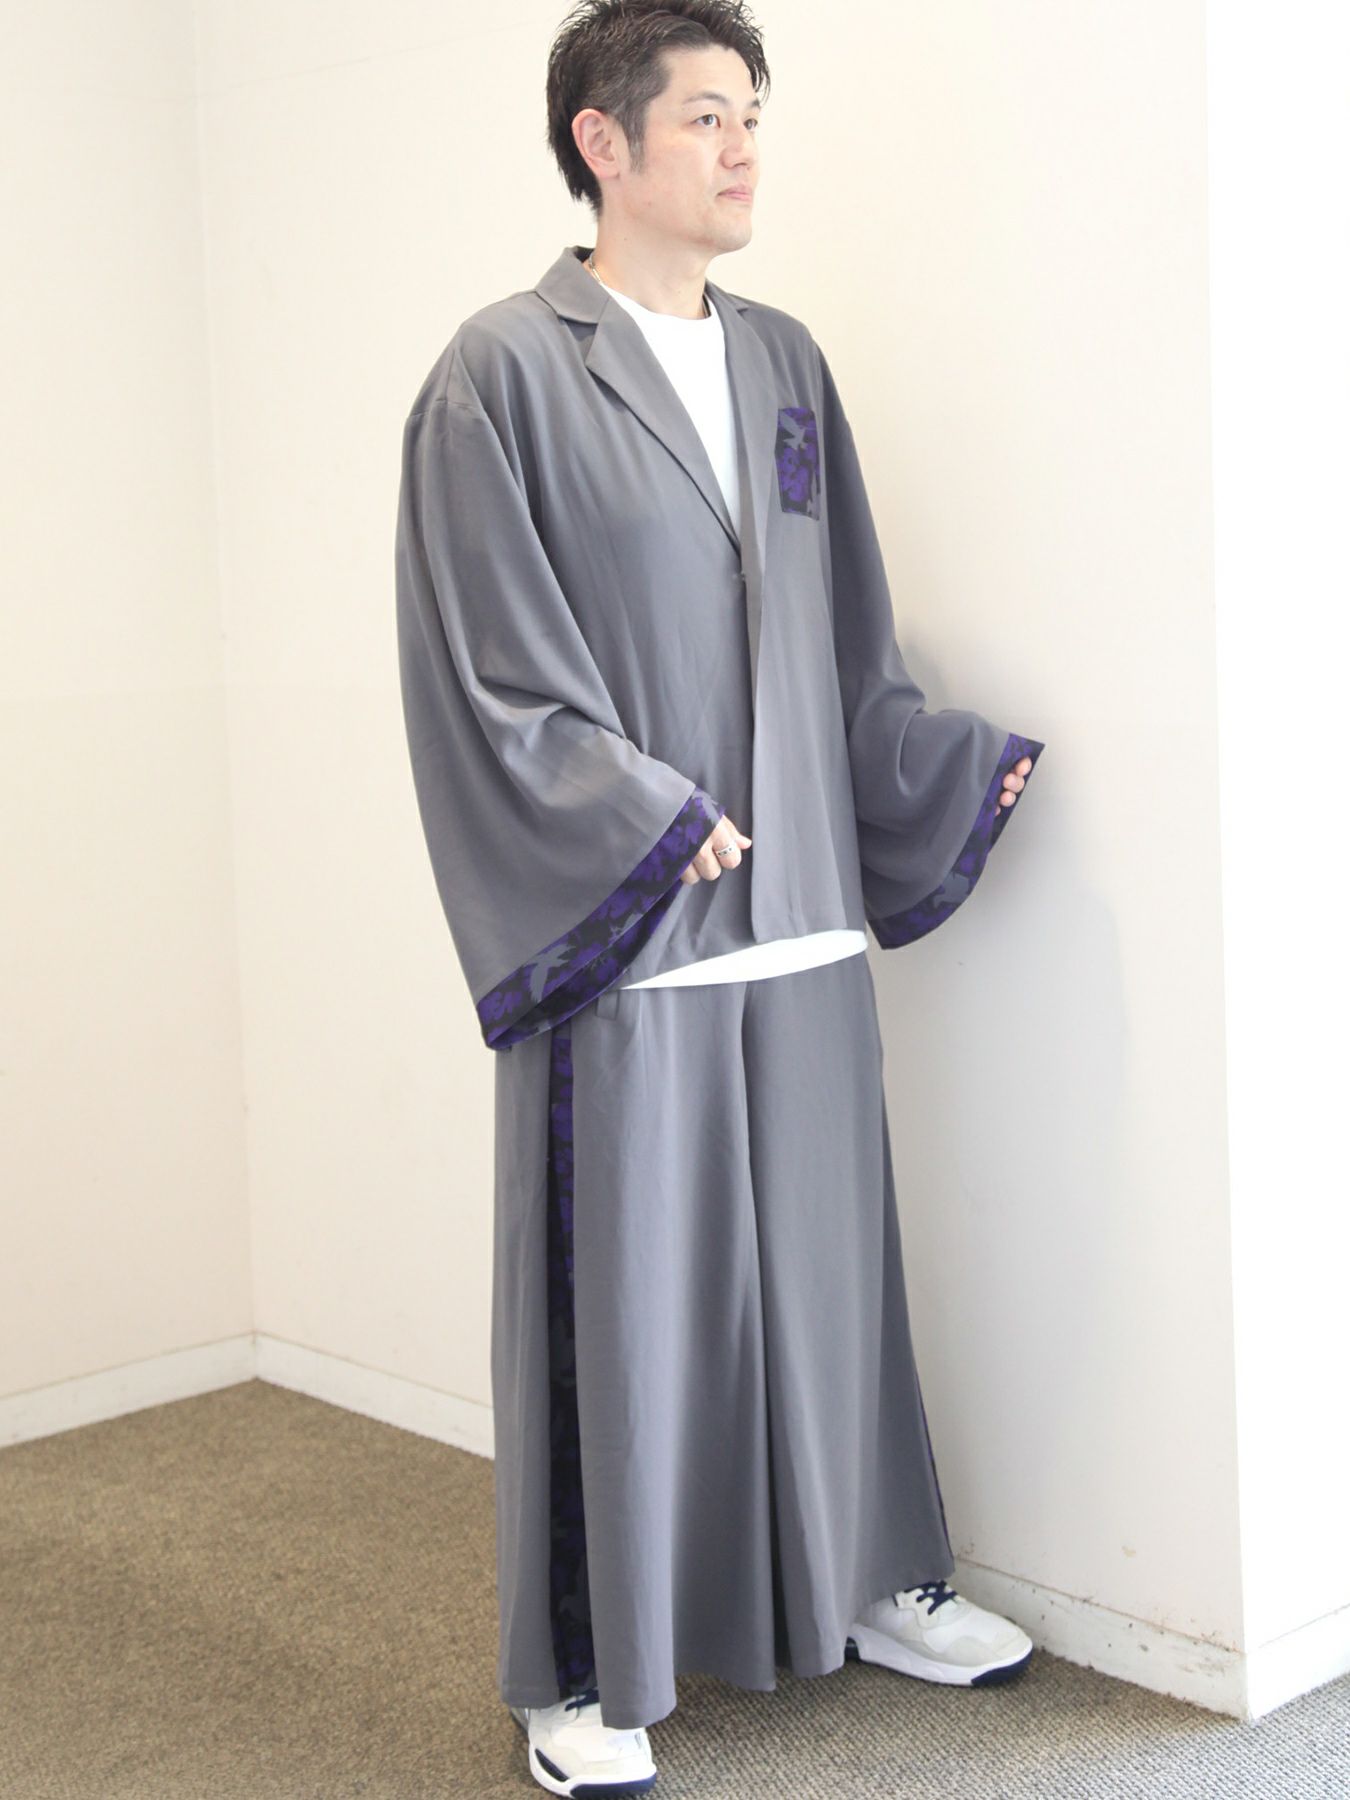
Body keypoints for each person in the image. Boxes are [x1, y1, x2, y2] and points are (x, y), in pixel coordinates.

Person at [394, 2, 1046, 1792]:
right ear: (601, 143)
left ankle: (872, 1577)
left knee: (829, 1279)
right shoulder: (499, 374)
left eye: (752, 114)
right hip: (635, 921)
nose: (743, 147)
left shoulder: (784, 362)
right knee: (627, 1312)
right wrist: (632, 809)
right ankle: (579, 1675)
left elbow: (846, 635)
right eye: (704, 116)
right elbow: (484, 670)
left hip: (803, 909)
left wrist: (926, 771)